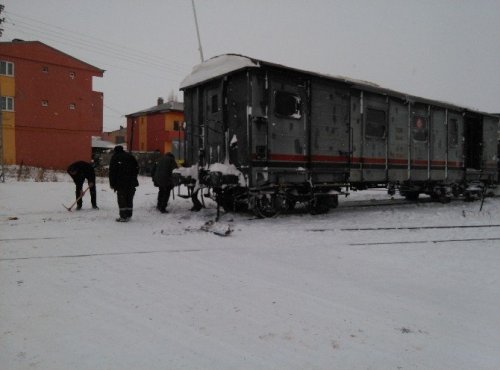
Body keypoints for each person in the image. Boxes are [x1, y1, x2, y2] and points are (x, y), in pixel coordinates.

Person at [109, 145, 139, 222]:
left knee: (122, 199)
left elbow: (112, 172)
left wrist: (112, 184)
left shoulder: (115, 157)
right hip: (131, 182)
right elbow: (137, 168)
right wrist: (133, 177)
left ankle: (123, 216)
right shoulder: (130, 156)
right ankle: (129, 215)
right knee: (129, 198)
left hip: (120, 182)